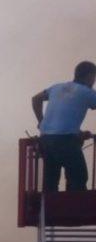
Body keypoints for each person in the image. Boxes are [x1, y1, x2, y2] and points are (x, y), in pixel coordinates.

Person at [32, 62, 96, 192]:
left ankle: (49, 209)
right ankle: (74, 209)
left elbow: (35, 99)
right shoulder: (87, 92)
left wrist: (42, 122)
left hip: (46, 140)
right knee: (78, 177)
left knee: (50, 181)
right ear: (90, 76)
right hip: (66, 141)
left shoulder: (57, 87)